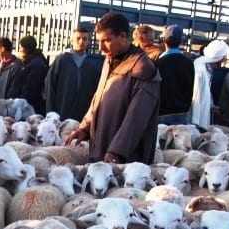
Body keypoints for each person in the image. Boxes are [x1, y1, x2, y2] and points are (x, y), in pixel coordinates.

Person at [64, 11, 160, 164]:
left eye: (106, 40)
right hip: (102, 148)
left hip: (126, 160)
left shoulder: (143, 69)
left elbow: (137, 117)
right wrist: (85, 128)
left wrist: (117, 150)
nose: (101, 48)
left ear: (123, 36)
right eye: (99, 41)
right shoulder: (109, 61)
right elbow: (98, 99)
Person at [44, 26, 99, 121]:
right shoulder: (62, 60)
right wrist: (50, 112)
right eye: (78, 38)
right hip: (60, 114)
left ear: (88, 42)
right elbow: (50, 86)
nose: (81, 41)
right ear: (71, 41)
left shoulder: (90, 65)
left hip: (81, 117)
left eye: (84, 39)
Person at [155, 25, 195, 125]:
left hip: (161, 115)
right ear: (181, 42)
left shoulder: (157, 64)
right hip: (182, 115)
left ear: (164, 41)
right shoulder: (188, 63)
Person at [190, 39, 229, 129]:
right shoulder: (199, 70)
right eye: (224, 57)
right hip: (197, 119)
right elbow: (196, 97)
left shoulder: (208, 70)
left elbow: (206, 93)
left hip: (203, 115)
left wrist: (212, 106)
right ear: (219, 58)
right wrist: (195, 123)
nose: (224, 59)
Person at [11, 35, 48, 115]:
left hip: (30, 108)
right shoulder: (29, 62)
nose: (20, 50)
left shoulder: (36, 64)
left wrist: (22, 104)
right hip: (25, 106)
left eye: (21, 47)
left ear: (27, 48)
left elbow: (31, 88)